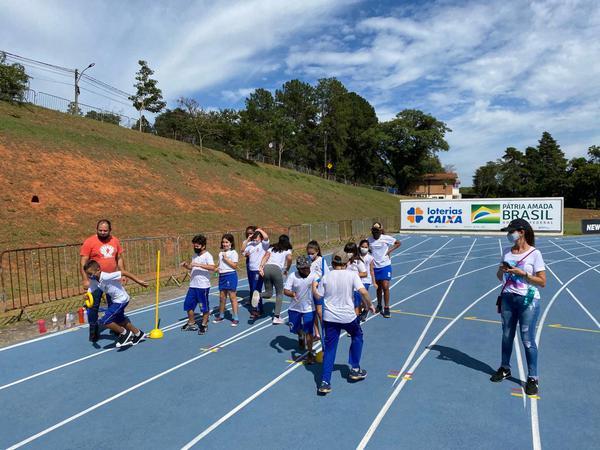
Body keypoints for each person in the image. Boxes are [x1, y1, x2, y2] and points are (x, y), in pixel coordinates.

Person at [492, 218, 546, 396]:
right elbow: (500, 277)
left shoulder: (534, 254)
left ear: (521, 232)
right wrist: (503, 269)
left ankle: (533, 377)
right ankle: (505, 368)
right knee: (507, 335)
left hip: (528, 301)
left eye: (511, 231)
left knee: (527, 339)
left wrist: (523, 274)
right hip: (508, 298)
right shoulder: (507, 252)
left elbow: (542, 282)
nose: (509, 235)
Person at [312, 250, 375, 395]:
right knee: (357, 336)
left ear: (333, 263)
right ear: (347, 263)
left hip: (330, 318)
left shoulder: (326, 276)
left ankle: (325, 382)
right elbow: (363, 292)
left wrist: (314, 287)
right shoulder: (352, 275)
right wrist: (369, 304)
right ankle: (354, 368)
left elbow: (318, 295)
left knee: (330, 349)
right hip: (348, 317)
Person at [83, 260, 148, 347]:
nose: (89, 276)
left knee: (105, 320)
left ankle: (124, 334)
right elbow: (92, 288)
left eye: (91, 273)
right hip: (116, 300)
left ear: (98, 270)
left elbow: (123, 272)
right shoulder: (94, 279)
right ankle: (138, 334)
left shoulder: (106, 276)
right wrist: (88, 295)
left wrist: (139, 281)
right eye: (88, 274)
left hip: (121, 300)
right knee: (120, 321)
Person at [80, 219, 125, 343]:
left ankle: (115, 327)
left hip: (112, 279)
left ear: (110, 230)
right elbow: (83, 262)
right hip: (95, 281)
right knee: (93, 307)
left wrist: (123, 273)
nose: (103, 232)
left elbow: (119, 258)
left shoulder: (115, 241)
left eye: (105, 230)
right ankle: (93, 330)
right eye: (100, 230)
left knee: (114, 304)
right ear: (97, 229)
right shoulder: (89, 242)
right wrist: (85, 279)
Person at [284, 255, 318, 364]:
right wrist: (292, 293)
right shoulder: (292, 276)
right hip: (295, 308)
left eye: (308, 267)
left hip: (309, 308)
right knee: (295, 328)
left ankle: (310, 352)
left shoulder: (314, 276)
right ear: (298, 268)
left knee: (309, 331)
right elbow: (286, 290)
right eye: (304, 268)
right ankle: (300, 334)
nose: (306, 269)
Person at [180, 235, 216, 335]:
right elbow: (192, 268)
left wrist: (199, 264)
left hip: (203, 286)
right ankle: (191, 323)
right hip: (193, 285)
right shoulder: (195, 256)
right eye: (194, 246)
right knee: (188, 305)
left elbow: (212, 267)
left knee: (203, 307)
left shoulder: (208, 256)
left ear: (203, 246)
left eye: (197, 246)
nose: (195, 248)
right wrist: (186, 266)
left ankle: (204, 325)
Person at [368, 222, 401, 318]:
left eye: (377, 231)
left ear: (380, 231)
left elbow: (398, 243)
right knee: (378, 287)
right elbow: (365, 247)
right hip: (375, 266)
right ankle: (379, 305)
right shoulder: (369, 239)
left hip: (385, 265)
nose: (375, 232)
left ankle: (386, 307)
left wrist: (389, 251)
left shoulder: (385, 238)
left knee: (385, 286)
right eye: (374, 230)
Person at [260, 234, 293, 324]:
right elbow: (289, 258)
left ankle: (258, 295)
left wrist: (261, 267)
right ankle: (276, 317)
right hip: (276, 269)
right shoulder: (287, 249)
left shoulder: (272, 247)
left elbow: (266, 256)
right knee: (279, 293)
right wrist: (287, 268)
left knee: (268, 293)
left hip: (266, 268)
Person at [213, 233, 240, 327]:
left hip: (230, 276)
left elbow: (235, 266)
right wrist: (216, 270)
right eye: (223, 242)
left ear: (231, 243)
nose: (224, 244)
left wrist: (226, 259)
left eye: (226, 242)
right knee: (222, 297)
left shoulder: (233, 253)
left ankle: (235, 317)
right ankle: (221, 315)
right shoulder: (220, 253)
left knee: (232, 297)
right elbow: (219, 266)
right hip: (222, 276)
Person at [243, 228, 270, 319]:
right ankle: (260, 309)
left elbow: (266, 237)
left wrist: (260, 230)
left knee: (255, 290)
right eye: (254, 237)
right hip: (251, 270)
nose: (255, 239)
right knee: (254, 289)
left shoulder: (263, 245)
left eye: (257, 237)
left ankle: (255, 310)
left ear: (260, 238)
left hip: (258, 270)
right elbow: (242, 250)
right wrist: (248, 239)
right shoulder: (250, 244)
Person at [343, 242, 368, 318]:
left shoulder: (358, 261)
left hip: (355, 289)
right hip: (346, 288)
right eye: (347, 251)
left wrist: (354, 275)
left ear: (354, 252)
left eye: (350, 252)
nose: (348, 253)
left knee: (355, 308)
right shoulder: (345, 261)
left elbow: (365, 273)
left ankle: (356, 323)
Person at [358, 239, 377, 321]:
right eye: (362, 246)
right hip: (358, 278)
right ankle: (363, 308)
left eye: (366, 247)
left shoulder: (370, 258)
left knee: (362, 294)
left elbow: (372, 270)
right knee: (358, 296)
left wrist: (374, 282)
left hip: (366, 279)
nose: (364, 248)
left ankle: (365, 309)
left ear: (368, 248)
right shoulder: (357, 256)